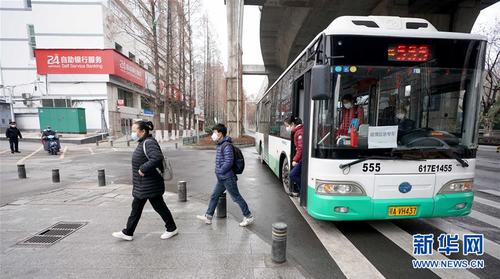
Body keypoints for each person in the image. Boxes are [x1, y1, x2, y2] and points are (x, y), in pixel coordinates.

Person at [113, 120, 177, 241]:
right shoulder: (142, 142)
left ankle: (172, 228)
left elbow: (157, 157)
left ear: (142, 131)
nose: (132, 133)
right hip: (144, 185)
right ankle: (128, 232)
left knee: (158, 207)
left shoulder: (149, 142)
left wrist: (143, 168)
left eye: (134, 131)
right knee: (138, 208)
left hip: (150, 184)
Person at [197, 123, 254, 227]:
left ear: (220, 134)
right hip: (222, 178)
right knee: (214, 196)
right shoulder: (220, 144)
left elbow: (229, 161)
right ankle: (208, 217)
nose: (213, 134)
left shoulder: (226, 145)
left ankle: (248, 216)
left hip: (228, 178)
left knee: (236, 197)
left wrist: (220, 171)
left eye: (215, 132)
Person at [284, 116, 303, 197]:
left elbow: (300, 148)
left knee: (292, 175)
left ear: (292, 124)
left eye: (287, 126)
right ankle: (300, 192)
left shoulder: (299, 132)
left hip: (303, 159)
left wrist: (295, 159)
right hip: (302, 158)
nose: (286, 128)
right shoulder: (298, 131)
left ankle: (303, 191)